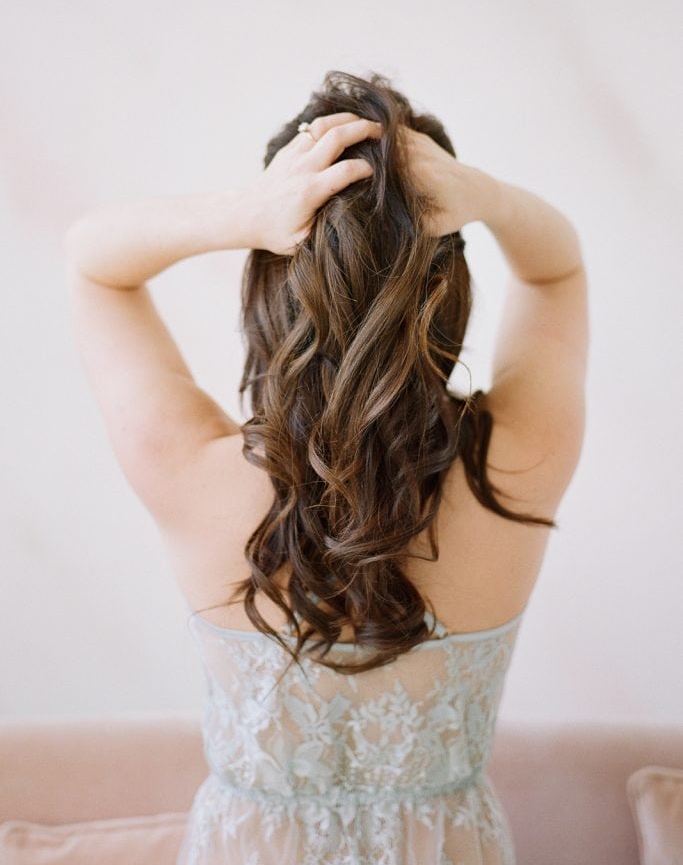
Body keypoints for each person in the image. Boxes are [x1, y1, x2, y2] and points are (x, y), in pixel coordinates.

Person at [64, 69, 589, 864]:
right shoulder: (518, 458)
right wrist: (485, 196)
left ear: (268, 280)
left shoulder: (188, 470)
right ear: (448, 287)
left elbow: (91, 260)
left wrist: (243, 213)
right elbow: (556, 269)